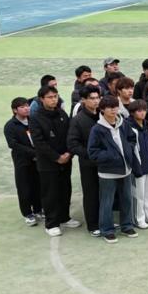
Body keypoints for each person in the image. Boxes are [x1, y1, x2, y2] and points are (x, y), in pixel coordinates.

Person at [87, 96, 138, 244]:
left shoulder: (123, 124)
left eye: (116, 106)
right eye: (110, 107)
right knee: (107, 202)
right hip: (108, 172)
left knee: (127, 199)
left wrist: (127, 150)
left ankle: (127, 226)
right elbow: (93, 152)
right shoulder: (97, 129)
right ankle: (107, 230)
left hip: (125, 170)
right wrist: (113, 156)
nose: (114, 110)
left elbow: (132, 138)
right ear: (102, 109)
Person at [30, 86, 79, 237]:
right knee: (50, 193)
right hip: (48, 163)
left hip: (66, 160)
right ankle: (51, 223)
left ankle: (64, 217)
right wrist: (57, 157)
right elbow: (39, 142)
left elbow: (70, 135)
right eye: (50, 97)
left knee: (65, 190)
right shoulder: (35, 118)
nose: (54, 100)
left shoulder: (62, 114)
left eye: (55, 96)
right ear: (42, 99)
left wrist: (69, 153)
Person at [66, 85, 102, 235]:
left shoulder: (103, 115)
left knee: (105, 193)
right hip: (89, 164)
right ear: (83, 100)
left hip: (106, 163)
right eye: (92, 98)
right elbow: (72, 144)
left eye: (97, 98)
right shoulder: (78, 120)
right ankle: (93, 225)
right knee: (91, 194)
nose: (96, 101)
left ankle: (104, 220)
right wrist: (91, 154)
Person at [4, 97, 43, 226]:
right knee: (24, 187)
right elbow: (13, 144)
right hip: (22, 161)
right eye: (22, 107)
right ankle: (27, 213)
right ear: (15, 110)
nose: (26, 108)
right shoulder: (10, 126)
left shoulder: (33, 120)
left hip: (37, 160)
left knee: (38, 185)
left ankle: (38, 209)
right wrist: (33, 153)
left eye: (27, 106)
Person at [127, 99, 148, 229]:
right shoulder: (128, 126)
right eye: (139, 111)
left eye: (144, 110)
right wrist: (135, 166)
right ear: (132, 112)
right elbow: (130, 149)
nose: (142, 113)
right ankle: (138, 218)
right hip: (137, 167)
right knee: (138, 194)